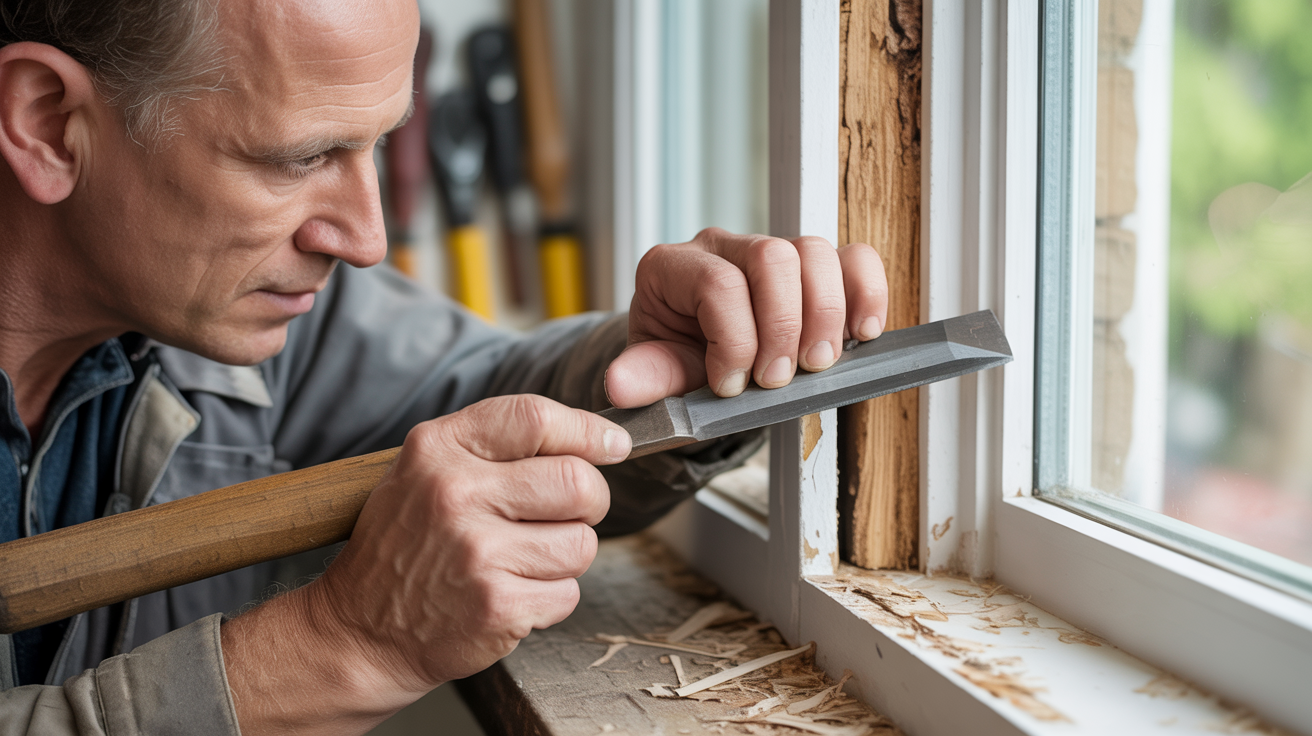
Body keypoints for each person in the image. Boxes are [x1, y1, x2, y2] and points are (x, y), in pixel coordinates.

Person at [0, 0, 889, 733]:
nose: (366, 238)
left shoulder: (244, 316)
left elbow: (471, 403)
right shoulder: (213, 293)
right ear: (48, 122)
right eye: (301, 158)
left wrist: (661, 367)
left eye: (375, 144)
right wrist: (339, 646)